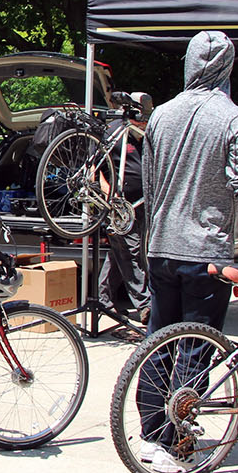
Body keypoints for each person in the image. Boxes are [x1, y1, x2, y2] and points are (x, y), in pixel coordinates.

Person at [136, 30, 238, 473]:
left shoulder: (161, 114)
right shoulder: (234, 118)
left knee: (158, 340)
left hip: (161, 245)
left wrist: (156, 231)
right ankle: (174, 437)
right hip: (206, 250)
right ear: (228, 68)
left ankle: (148, 430)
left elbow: (149, 183)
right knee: (196, 346)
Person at [97, 93, 151, 340]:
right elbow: (96, 169)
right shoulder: (113, 132)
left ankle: (103, 302)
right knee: (130, 251)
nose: (143, 118)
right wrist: (111, 199)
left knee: (118, 253)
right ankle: (145, 306)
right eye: (141, 113)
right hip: (119, 205)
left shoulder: (144, 133)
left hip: (142, 204)